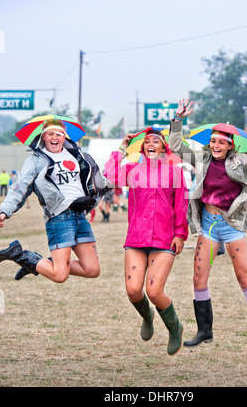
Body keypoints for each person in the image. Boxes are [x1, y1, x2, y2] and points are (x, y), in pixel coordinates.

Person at [169, 98, 247, 350]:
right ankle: (204, 331)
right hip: (208, 226)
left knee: (244, 278)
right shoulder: (201, 159)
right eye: (213, 141)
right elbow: (175, 146)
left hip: (232, 227)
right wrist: (178, 120)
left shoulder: (241, 162)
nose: (216, 145)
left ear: (230, 146)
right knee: (199, 279)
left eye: (221, 142)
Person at [104, 128, 189, 356]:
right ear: (143, 148)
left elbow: (181, 204)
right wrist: (121, 149)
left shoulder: (174, 173)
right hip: (137, 237)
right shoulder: (133, 171)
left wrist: (180, 233)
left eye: (156, 141)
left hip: (164, 239)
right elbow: (109, 178)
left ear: (163, 147)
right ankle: (147, 316)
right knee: (133, 291)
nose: (151, 144)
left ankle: (175, 328)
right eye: (147, 141)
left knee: (154, 292)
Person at [0, 119, 105, 282]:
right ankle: (19, 254)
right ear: (43, 136)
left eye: (59, 134)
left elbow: (93, 180)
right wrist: (4, 210)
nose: (54, 137)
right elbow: (20, 187)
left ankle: (37, 262)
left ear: (65, 137)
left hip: (80, 217)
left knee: (92, 269)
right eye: (50, 134)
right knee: (60, 275)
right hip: (59, 218)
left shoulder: (78, 156)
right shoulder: (36, 161)